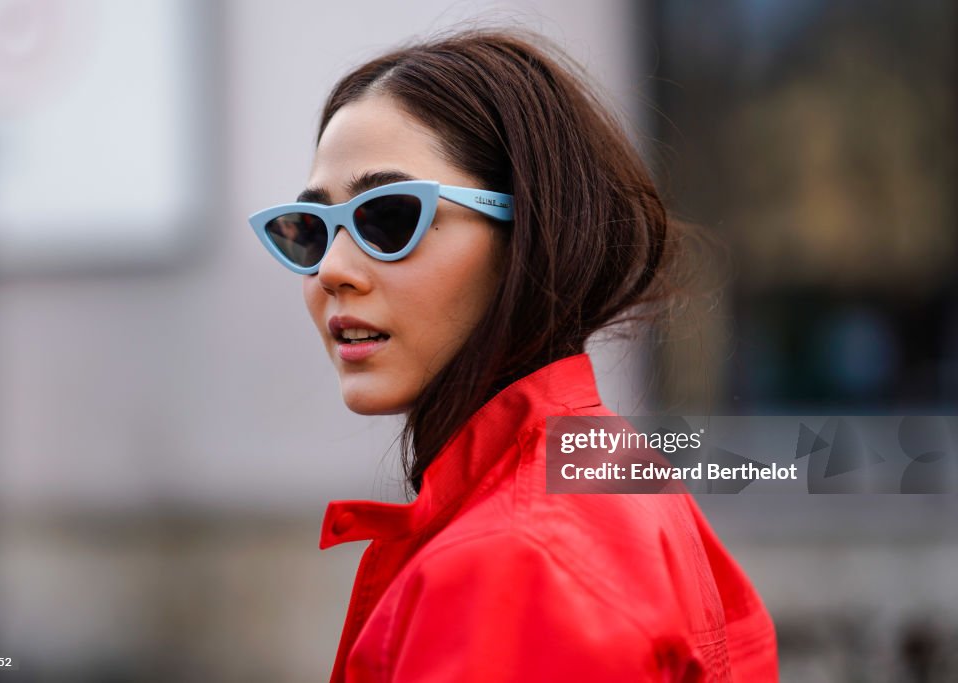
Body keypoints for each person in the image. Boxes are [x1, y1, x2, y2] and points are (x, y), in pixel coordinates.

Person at [248, 27, 779, 682]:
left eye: (387, 217)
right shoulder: (605, 469)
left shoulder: (517, 559)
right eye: (308, 230)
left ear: (526, 233)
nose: (331, 269)